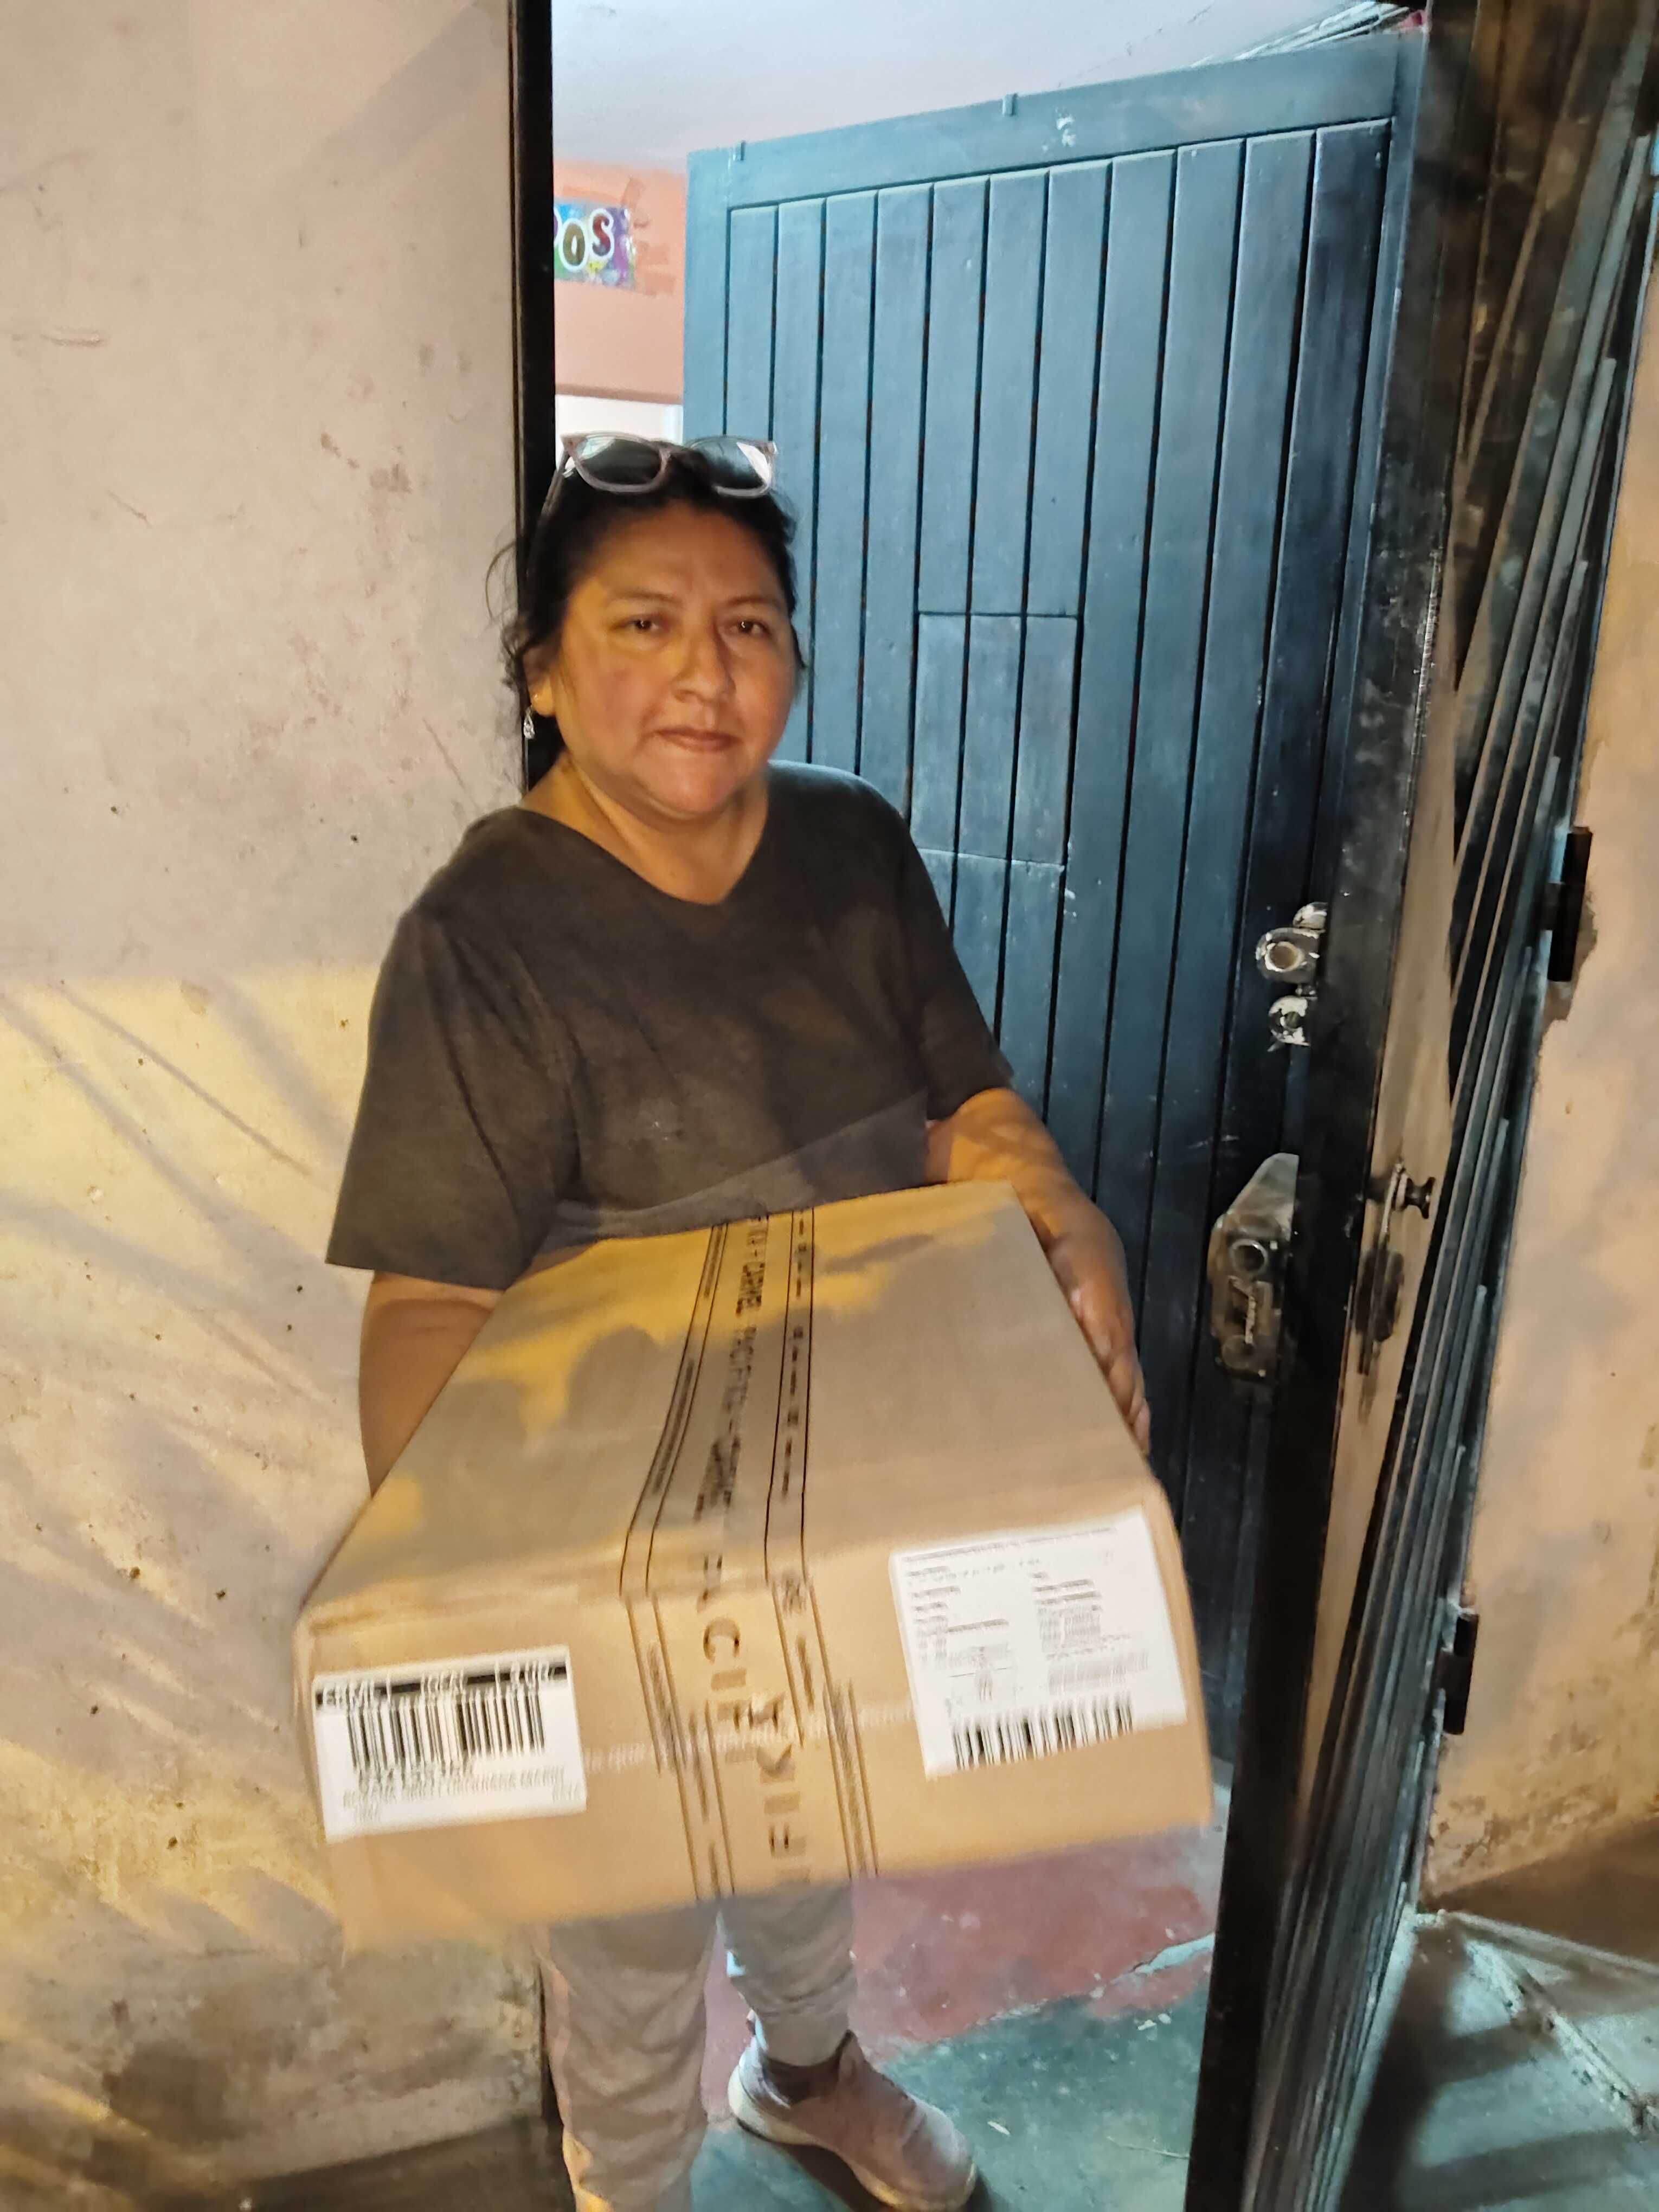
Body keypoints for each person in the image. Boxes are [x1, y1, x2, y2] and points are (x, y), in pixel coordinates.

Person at [327, 434, 1150, 2212]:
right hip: (609, 1540)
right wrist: (480, 1605)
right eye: (641, 624)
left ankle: (809, 2075)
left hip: (827, 1479)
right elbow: (430, 1306)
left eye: (749, 626)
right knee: (628, 1928)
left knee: (804, 1819)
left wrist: (1056, 1206)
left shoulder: (849, 846)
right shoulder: (485, 936)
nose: (705, 672)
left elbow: (962, 1106)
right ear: (543, 671)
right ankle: (631, 2185)